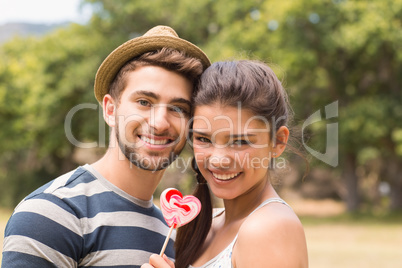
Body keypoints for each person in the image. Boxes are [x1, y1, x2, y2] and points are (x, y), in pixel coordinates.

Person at [2, 25, 210, 267]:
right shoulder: (51, 213)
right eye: (144, 102)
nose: (160, 123)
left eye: (178, 109)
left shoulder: (174, 233)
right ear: (111, 110)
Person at [142, 60, 308, 268]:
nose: (218, 160)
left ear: (278, 141)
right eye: (203, 139)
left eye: (239, 142)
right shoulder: (208, 224)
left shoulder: (268, 228)